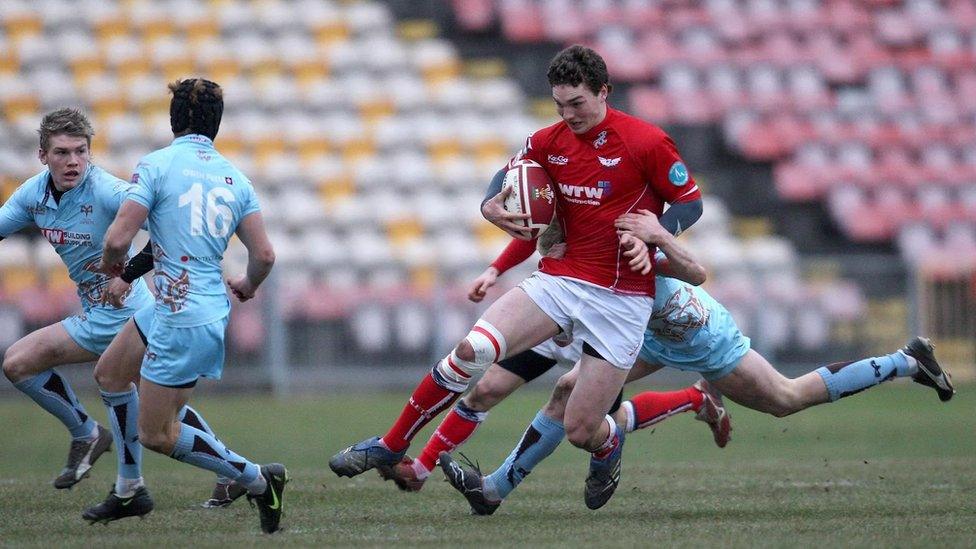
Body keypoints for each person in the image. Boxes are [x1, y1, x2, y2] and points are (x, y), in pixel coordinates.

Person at [329, 44, 704, 511]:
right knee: (472, 352)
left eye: (578, 104)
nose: (568, 115)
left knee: (581, 429)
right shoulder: (548, 141)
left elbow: (691, 202)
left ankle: (608, 444)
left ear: (604, 92)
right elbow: (509, 173)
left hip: (622, 299)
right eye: (560, 105)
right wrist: (489, 203)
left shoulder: (646, 141)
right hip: (561, 281)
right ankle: (392, 444)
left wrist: (656, 232)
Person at [440, 211, 956, 515]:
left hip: (698, 335)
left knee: (786, 398)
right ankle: (494, 490)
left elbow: (698, 272)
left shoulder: (622, 255)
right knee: (565, 394)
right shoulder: (579, 270)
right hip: (641, 336)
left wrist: (661, 236)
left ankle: (906, 361)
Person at [375, 219, 728, 493]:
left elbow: (679, 269)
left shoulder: (621, 231)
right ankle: (421, 469)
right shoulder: (565, 194)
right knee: (486, 390)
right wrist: (496, 269)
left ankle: (695, 398)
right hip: (555, 320)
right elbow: (531, 233)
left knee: (603, 422)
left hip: (602, 332)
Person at [91, 78, 287, 533]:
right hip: (189, 306)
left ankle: (258, 479)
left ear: (173, 119)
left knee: (157, 434)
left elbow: (120, 237)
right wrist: (249, 285)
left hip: (181, 318)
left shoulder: (156, 165)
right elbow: (265, 256)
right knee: (111, 374)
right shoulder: (235, 178)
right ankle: (128, 489)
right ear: (216, 125)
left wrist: (111, 268)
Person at [0, 108, 155, 490]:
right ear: (42, 155)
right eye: (62, 152)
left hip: (128, 314)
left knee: (19, 362)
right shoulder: (33, 194)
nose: (73, 161)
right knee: (160, 416)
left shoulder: (107, 190)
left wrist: (129, 274)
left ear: (90, 152)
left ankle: (97, 446)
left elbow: (168, 230)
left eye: (80, 152)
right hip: (97, 315)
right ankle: (235, 473)